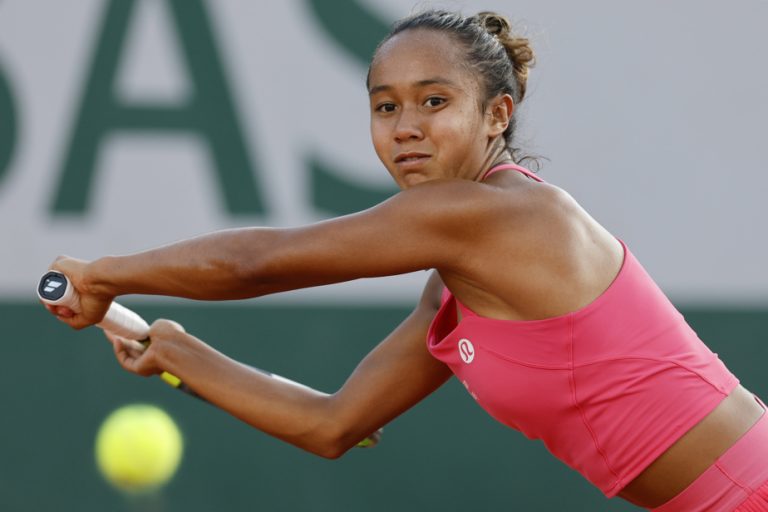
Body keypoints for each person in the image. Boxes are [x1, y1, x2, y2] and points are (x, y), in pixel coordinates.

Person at [43, 10, 767, 511]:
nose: (406, 128)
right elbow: (333, 425)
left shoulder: (493, 216)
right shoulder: (456, 283)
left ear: (497, 116)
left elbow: (259, 263)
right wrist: (176, 356)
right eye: (385, 108)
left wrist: (102, 274)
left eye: (434, 101)